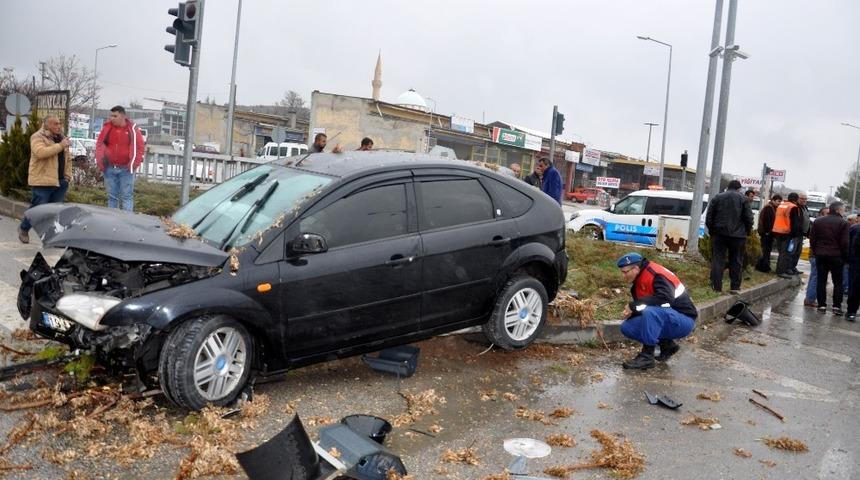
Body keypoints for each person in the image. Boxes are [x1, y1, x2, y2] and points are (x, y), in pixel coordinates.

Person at [616, 252, 697, 370]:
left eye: (625, 272)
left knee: (651, 312)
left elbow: (665, 299)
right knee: (627, 327)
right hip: (667, 318)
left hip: (684, 319)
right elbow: (647, 306)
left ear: (636, 268)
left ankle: (647, 356)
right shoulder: (638, 282)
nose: (623, 276)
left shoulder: (656, 274)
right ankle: (667, 345)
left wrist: (634, 305)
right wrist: (632, 313)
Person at [18, 115, 72, 244]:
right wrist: (60, 145)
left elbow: (68, 159)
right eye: (55, 124)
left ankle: (50, 238)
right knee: (38, 207)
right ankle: (23, 228)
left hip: (60, 181)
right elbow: (40, 152)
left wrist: (68, 176)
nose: (58, 126)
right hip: (42, 180)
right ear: (46, 125)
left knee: (53, 211)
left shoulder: (62, 138)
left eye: (59, 124)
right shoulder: (37, 137)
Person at [705, 180, 754, 293]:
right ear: (739, 189)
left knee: (718, 260)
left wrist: (713, 231)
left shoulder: (718, 197)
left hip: (719, 234)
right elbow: (749, 218)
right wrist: (747, 231)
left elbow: (709, 217)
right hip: (738, 237)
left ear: (728, 187)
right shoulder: (743, 199)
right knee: (736, 260)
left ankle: (716, 287)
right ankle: (735, 287)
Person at [95, 106, 145, 212]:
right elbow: (99, 144)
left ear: (122, 116)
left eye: (115, 116)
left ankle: (127, 222)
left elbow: (140, 147)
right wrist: (101, 162)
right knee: (112, 197)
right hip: (109, 168)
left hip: (126, 169)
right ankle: (112, 222)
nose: (112, 118)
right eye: (111, 115)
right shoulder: (107, 128)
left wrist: (133, 165)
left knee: (126, 197)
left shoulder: (132, 129)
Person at [809, 201, 849, 315]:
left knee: (821, 280)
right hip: (836, 256)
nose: (844, 212)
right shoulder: (843, 223)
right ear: (837, 210)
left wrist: (816, 251)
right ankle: (836, 306)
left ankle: (821, 305)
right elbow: (845, 243)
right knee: (838, 282)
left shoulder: (819, 221)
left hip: (821, 255)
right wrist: (845, 257)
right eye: (843, 209)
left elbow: (812, 239)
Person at [773, 192, 804, 278]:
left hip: (777, 231)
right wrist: (795, 235)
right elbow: (795, 223)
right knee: (785, 253)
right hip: (787, 233)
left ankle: (779, 270)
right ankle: (781, 271)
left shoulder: (781, 205)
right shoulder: (793, 207)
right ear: (796, 199)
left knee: (781, 253)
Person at [804, 207, 828, 307]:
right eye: (827, 213)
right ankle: (810, 299)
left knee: (813, 276)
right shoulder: (820, 224)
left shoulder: (817, 223)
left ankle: (809, 298)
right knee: (816, 277)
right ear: (821, 214)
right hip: (816, 255)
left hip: (814, 254)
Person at [755, 194, 782, 273]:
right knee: (765, 250)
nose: (779, 203)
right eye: (778, 201)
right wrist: (768, 232)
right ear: (773, 200)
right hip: (767, 233)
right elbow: (767, 222)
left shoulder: (773, 208)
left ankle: (764, 266)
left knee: (766, 250)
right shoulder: (769, 208)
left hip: (769, 233)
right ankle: (763, 267)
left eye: (780, 202)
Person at [789, 193, 811, 275]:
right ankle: (789, 268)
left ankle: (793, 267)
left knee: (798, 252)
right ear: (798, 199)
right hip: (795, 234)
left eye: (805, 199)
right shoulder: (796, 207)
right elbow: (796, 222)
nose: (804, 200)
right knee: (792, 251)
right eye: (802, 198)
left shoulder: (805, 207)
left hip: (801, 234)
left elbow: (807, 220)